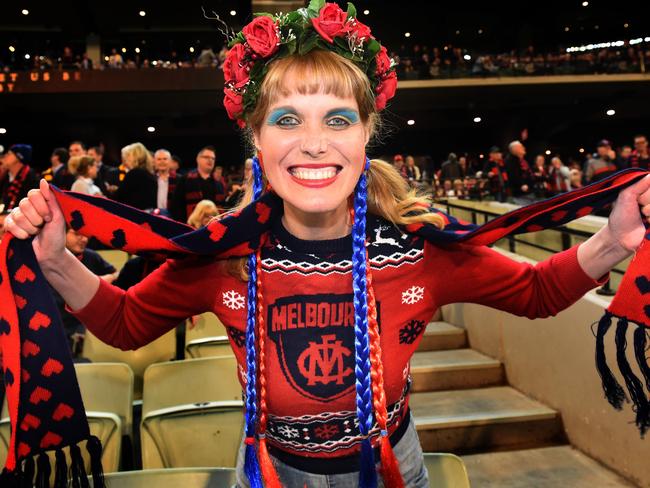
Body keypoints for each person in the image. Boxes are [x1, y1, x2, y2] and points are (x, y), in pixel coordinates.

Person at [5, 4, 650, 487]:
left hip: (393, 464)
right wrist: (57, 259)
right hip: (265, 470)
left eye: (337, 119)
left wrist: (618, 239)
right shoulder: (223, 257)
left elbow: (535, 292)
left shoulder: (420, 249)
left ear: (367, 133)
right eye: (287, 120)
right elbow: (122, 323)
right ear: (256, 139)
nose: (314, 143)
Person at [170, 146, 225, 222]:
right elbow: (176, 205)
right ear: (198, 159)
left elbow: (222, 208)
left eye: (213, 158)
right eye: (206, 157)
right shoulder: (185, 179)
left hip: (213, 227)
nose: (210, 160)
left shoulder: (218, 184)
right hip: (189, 227)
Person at [114, 142, 157, 211]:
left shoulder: (134, 173)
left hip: (133, 216)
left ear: (135, 157)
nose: (125, 159)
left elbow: (118, 198)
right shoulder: (150, 174)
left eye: (128, 155)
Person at [0, 144, 39, 214]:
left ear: (19, 158)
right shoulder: (7, 176)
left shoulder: (32, 180)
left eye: (9, 154)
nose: (5, 156)